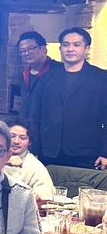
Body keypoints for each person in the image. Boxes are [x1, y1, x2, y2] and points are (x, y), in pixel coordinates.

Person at [29, 27, 107, 170]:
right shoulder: (46, 78)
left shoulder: (102, 78)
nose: (70, 49)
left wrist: (105, 152)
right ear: (60, 49)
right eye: (65, 45)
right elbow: (34, 116)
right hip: (49, 152)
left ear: (86, 49)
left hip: (87, 153)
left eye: (76, 45)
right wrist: (33, 149)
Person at [3, 119, 54, 200]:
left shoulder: (36, 167)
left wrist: (34, 197)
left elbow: (45, 197)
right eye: (12, 136)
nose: (16, 141)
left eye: (22, 138)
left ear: (29, 142)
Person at [16, 31, 60, 118]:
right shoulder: (24, 74)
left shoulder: (59, 71)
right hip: (27, 124)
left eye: (30, 48)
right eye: (23, 51)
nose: (27, 53)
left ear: (44, 49)